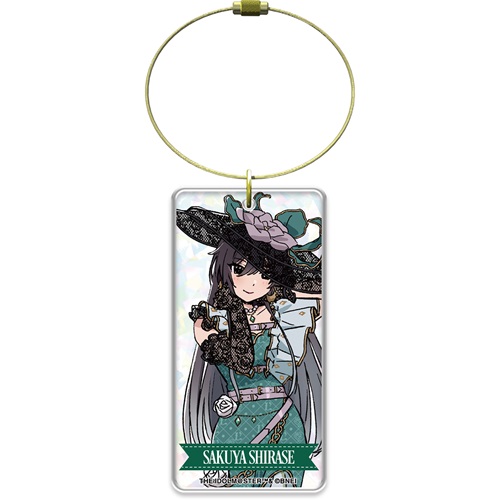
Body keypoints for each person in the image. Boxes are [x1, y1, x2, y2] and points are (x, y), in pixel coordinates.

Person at [176, 193, 322, 488]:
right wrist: (209, 342)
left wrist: (288, 279)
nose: (252, 282)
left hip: (283, 422)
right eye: (240, 269)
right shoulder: (216, 319)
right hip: (233, 425)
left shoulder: (286, 315)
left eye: (264, 272)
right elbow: (230, 366)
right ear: (225, 268)